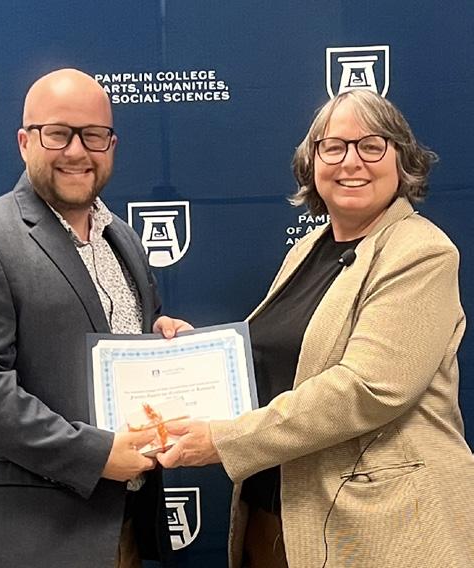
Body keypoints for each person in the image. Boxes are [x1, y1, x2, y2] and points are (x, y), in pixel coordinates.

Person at [157, 90, 474, 568]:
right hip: (275, 517)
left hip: (376, 529)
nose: (352, 161)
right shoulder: (307, 250)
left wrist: (225, 439)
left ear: (402, 160)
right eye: (334, 146)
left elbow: (368, 388)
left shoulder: (421, 253)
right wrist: (193, 354)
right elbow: (278, 360)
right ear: (313, 162)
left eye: (372, 146)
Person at [0, 68, 191, 568]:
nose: (76, 151)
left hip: (124, 531)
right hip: (29, 542)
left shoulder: (124, 239)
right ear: (24, 142)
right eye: (58, 133)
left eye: (93, 135)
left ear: (111, 144)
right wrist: (95, 455)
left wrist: (161, 340)